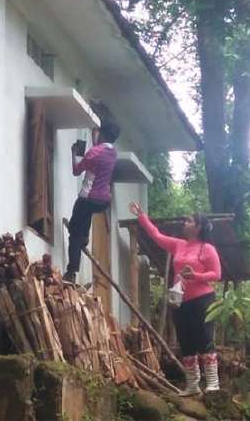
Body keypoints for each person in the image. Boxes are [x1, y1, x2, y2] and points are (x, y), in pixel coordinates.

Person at [130, 202, 222, 394]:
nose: (184, 222)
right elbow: (156, 236)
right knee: (185, 341)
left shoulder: (207, 248)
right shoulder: (178, 245)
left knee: (205, 338)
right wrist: (142, 217)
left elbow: (216, 274)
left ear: (198, 227)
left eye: (189, 220)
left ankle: (213, 383)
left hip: (203, 299)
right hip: (180, 301)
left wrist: (196, 276)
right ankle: (192, 385)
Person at [62, 118, 120, 284]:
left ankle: (71, 272)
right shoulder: (112, 152)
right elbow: (99, 151)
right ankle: (84, 237)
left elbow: (76, 171)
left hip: (89, 197)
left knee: (74, 233)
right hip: (104, 201)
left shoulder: (93, 153)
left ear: (101, 134)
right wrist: (96, 138)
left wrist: (74, 152)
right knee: (84, 219)